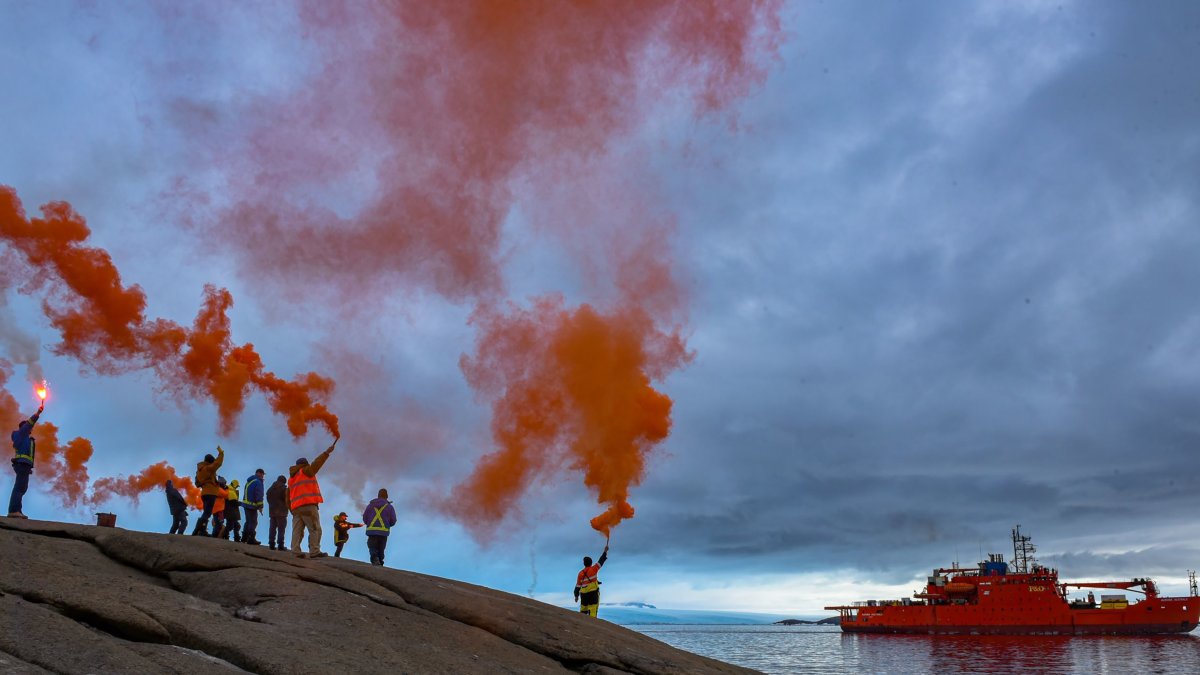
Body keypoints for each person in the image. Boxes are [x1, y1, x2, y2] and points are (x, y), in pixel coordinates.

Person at [289, 439, 338, 558]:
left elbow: (287, 495)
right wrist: (326, 453)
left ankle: (295, 551)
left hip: (296, 508)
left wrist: (290, 508)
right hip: (308, 505)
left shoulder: (292, 478)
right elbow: (316, 464)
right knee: (315, 529)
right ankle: (314, 551)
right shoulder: (306, 471)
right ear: (305, 464)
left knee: (297, 531)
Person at [7, 399, 43, 518]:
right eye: (28, 428)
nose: (30, 429)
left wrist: (29, 467)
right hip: (22, 465)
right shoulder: (22, 434)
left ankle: (18, 511)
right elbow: (29, 423)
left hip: (24, 465)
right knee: (19, 487)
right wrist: (38, 413)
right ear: (24, 428)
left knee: (22, 488)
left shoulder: (25, 438)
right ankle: (13, 510)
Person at [190, 446, 224, 536]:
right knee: (207, 513)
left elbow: (197, 483)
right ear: (210, 461)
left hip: (204, 493)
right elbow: (217, 463)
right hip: (211, 493)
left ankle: (201, 530)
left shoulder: (199, 470)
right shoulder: (208, 468)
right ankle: (197, 531)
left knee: (206, 512)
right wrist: (221, 453)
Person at [362, 488, 398, 567]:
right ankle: (380, 562)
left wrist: (369, 523)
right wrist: (387, 525)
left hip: (372, 531)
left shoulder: (370, 505)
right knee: (381, 548)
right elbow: (393, 520)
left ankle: (375, 559)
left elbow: (365, 518)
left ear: (378, 496)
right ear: (387, 496)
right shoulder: (389, 507)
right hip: (383, 532)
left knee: (372, 546)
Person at [573, 543, 609, 617]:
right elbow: (601, 561)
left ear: (584, 563)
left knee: (583, 610)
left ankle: (581, 625)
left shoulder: (580, 573)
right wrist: (605, 551)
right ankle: (592, 626)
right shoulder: (594, 569)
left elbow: (577, 586)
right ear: (591, 563)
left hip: (583, 595)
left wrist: (576, 596)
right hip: (593, 593)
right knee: (592, 610)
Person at [241, 468, 266, 545]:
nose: (262, 476)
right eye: (262, 474)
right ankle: (251, 539)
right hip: (252, 506)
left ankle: (244, 538)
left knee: (248, 522)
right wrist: (260, 506)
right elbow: (259, 494)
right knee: (253, 522)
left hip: (246, 504)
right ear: (258, 473)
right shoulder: (258, 482)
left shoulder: (249, 481)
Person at [265, 475, 288, 551]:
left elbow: (267, 497)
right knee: (281, 529)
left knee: (272, 528)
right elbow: (287, 499)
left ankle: (271, 544)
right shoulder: (283, 489)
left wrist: (272, 505)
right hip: (281, 512)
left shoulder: (271, 489)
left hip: (272, 511)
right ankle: (280, 545)